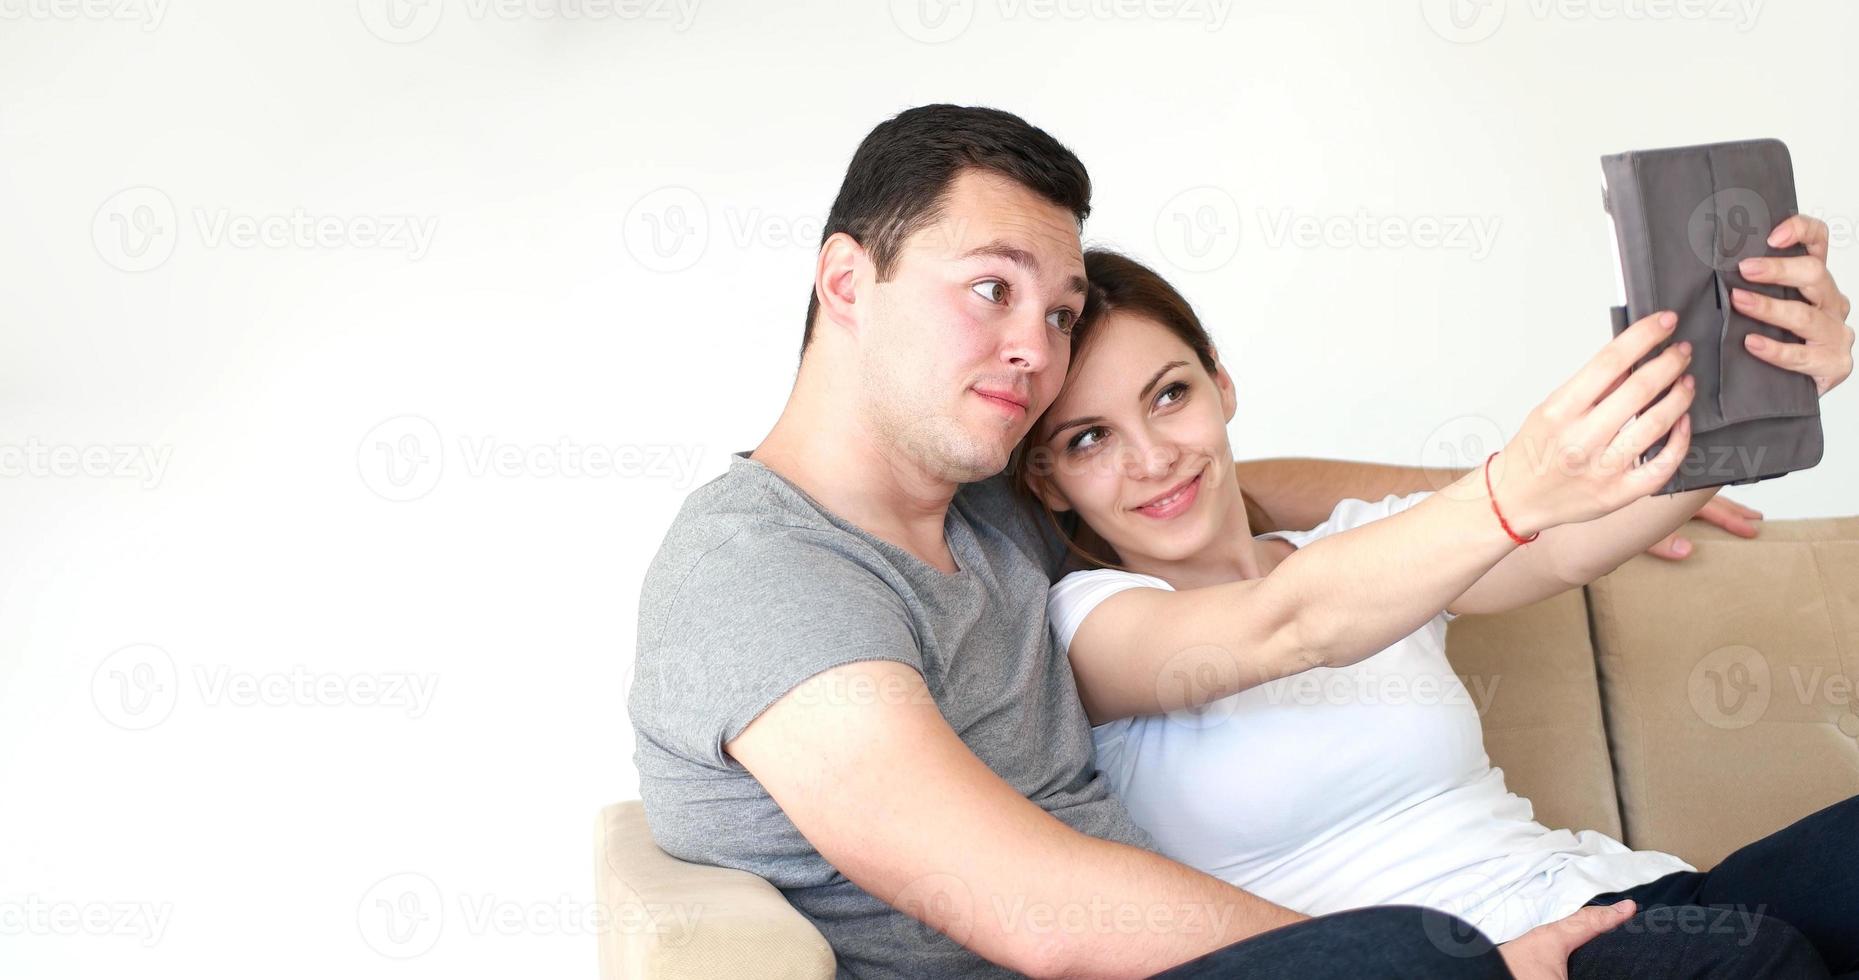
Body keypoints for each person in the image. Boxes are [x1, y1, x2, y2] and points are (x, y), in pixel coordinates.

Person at [628, 102, 1768, 979]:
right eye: (990, 288)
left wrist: (1613, 469)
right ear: (845, 280)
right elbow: (1038, 910)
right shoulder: (760, 572)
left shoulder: (985, 507)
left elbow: (1238, 490)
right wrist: (1445, 962)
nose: (1032, 346)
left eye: (1059, 310)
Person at [1019, 248, 1856, 978]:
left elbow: (1565, 547)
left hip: (1619, 899)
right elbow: (1290, 624)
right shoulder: (1089, 621)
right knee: (1743, 960)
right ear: (1047, 480)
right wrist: (1515, 483)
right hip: (1473, 964)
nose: (1153, 457)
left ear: (1220, 381)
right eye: (1088, 439)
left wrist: (1776, 391)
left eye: (1168, 395)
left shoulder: (1358, 543)